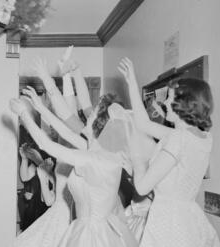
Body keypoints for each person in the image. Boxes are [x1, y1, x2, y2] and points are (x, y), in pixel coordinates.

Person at [10, 85, 138, 246]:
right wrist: (40, 107)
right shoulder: (96, 151)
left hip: (93, 236)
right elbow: (66, 133)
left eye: (93, 113)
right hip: (87, 229)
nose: (89, 115)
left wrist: (23, 114)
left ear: (99, 123)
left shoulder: (93, 158)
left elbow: (45, 145)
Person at [118, 57, 220, 247]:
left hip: (168, 222)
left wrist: (137, 161)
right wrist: (132, 82)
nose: (164, 103)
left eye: (170, 98)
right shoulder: (203, 138)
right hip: (190, 218)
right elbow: (143, 124)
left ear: (185, 104)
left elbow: (142, 188)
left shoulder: (178, 138)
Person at [18, 143, 53, 231]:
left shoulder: (53, 164)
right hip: (36, 204)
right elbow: (24, 177)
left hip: (48, 205)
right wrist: (24, 159)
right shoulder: (36, 165)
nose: (31, 155)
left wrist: (37, 159)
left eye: (32, 153)